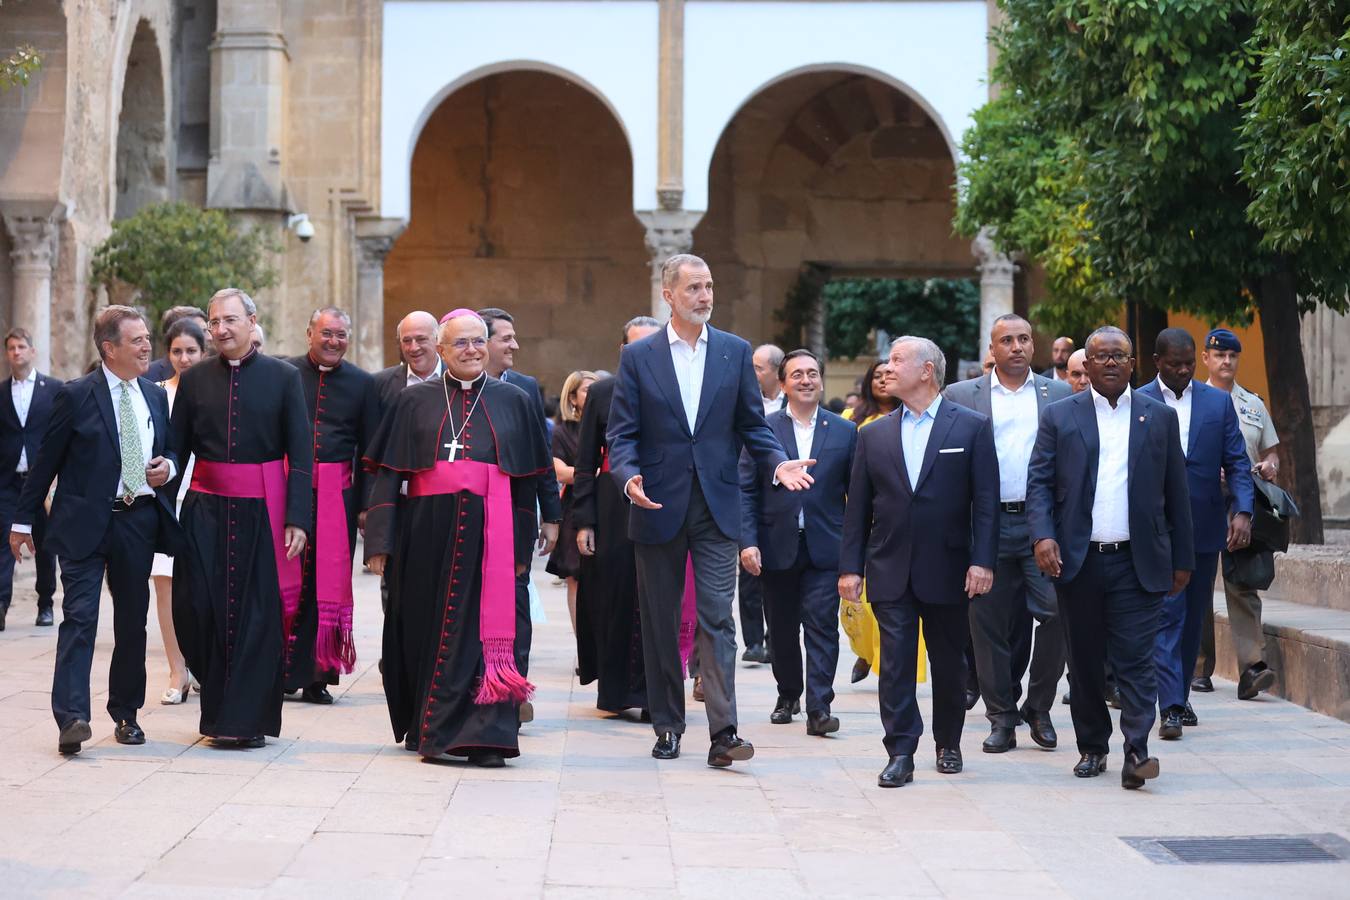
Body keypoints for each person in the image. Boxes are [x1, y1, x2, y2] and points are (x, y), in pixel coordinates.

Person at [607, 253, 814, 768]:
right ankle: (668, 726)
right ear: (669, 295)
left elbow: (753, 426)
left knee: (718, 619)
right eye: (695, 287)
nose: (705, 296)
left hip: (718, 507)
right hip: (656, 503)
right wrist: (627, 475)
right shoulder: (639, 358)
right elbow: (622, 432)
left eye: (710, 286)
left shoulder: (734, 352)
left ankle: (724, 732)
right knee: (659, 620)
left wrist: (777, 464)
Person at [363, 309, 551, 767]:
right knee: (425, 628)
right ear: (441, 351)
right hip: (426, 533)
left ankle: (487, 737)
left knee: (486, 635)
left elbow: (527, 479)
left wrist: (527, 542)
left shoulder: (515, 400)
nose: (471, 350)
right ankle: (434, 729)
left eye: (478, 341)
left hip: (495, 533)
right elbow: (389, 476)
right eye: (460, 343)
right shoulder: (413, 402)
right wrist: (380, 543)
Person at [10, 306, 183, 755]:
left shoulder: (154, 395)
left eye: (148, 338)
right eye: (137, 340)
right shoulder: (75, 395)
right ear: (109, 348)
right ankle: (72, 717)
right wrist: (21, 520)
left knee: (131, 623)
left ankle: (126, 714)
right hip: (84, 523)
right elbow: (45, 463)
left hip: (138, 520)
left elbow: (167, 453)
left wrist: (169, 466)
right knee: (81, 618)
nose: (148, 346)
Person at [1027, 325, 1193, 789]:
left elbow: (1175, 492)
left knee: (1137, 659)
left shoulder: (1158, 418)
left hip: (1137, 561)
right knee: (1084, 659)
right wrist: (1042, 536)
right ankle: (1093, 746)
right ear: (1088, 364)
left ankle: (1137, 750)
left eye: (1120, 355)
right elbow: (1038, 482)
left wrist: (1183, 559)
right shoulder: (1061, 416)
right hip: (1079, 560)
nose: (1112, 363)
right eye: (1102, 356)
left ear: (1133, 362)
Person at [840, 336, 998, 788]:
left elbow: (984, 503)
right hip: (889, 567)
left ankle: (948, 742)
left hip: (949, 568)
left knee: (950, 663)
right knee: (895, 664)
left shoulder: (970, 426)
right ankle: (901, 750)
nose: (886, 368)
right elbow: (857, 510)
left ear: (926, 370)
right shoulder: (872, 434)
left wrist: (983, 561)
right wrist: (850, 568)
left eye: (896, 360)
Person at [170, 288, 313, 749]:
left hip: (262, 513)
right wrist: (166, 481)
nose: (221, 330)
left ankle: (245, 721)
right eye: (214, 322)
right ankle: (216, 709)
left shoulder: (284, 377)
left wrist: (297, 518)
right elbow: (177, 448)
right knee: (198, 609)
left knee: (256, 617)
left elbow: (302, 455)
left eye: (230, 320)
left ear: (253, 322)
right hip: (205, 512)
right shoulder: (194, 381)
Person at [945, 314, 1071, 753]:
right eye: (1007, 340)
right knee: (987, 623)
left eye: (1023, 339)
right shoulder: (961, 396)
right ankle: (1000, 717)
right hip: (986, 524)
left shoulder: (1058, 394)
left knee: (1057, 614)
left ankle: (1038, 706)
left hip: (1043, 526)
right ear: (992, 349)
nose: (1016, 347)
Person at [1138, 328, 1253, 740]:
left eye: (1189, 364)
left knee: (1192, 618)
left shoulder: (1218, 403)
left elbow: (1237, 461)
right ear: (1157, 362)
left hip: (1204, 527)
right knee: (1168, 613)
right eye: (1175, 365)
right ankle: (1169, 706)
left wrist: (1241, 509)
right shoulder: (1137, 401)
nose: (1184, 371)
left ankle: (1179, 692)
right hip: (1154, 528)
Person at [739, 349, 857, 735]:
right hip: (776, 545)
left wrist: (856, 553)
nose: (805, 380)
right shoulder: (763, 429)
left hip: (826, 546)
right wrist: (748, 542)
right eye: (797, 375)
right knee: (783, 627)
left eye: (812, 374)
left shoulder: (844, 431)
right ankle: (788, 692)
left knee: (822, 625)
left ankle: (819, 707)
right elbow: (746, 490)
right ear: (784, 383)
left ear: (822, 381)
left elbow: (857, 496)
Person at [281, 308, 380, 704]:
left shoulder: (362, 383)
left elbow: (369, 449)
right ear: (310, 334)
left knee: (326, 584)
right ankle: (283, 669)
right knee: (288, 579)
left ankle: (318, 675)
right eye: (327, 333)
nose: (334, 341)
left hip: (337, 496)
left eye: (341, 335)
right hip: (289, 489)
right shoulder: (286, 373)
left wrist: (366, 505)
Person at [574, 317, 662, 716]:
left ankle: (651, 694)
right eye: (635, 346)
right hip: (611, 505)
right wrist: (585, 521)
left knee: (655, 600)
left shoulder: (672, 391)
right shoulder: (604, 392)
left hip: (662, 499)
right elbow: (585, 461)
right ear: (623, 350)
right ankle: (614, 693)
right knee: (614, 598)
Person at [477, 307, 561, 721]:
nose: (514, 345)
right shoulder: (451, 387)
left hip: (516, 513)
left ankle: (515, 687)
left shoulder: (525, 388)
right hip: (469, 515)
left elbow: (541, 456)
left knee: (516, 600)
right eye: (505, 338)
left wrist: (551, 515)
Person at [1194, 328, 1281, 699]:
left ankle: (1252, 667)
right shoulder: (1190, 399)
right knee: (1196, 584)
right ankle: (1197, 667)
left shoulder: (1252, 404)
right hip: (1199, 499)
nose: (1226, 361)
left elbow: (1272, 450)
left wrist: (1269, 465)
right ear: (1206, 359)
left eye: (1232, 356)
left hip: (1240, 501)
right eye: (1219, 355)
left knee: (1243, 582)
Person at [839, 359, 909, 685]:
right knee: (856, 606)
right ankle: (865, 651)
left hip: (894, 525)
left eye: (888, 375)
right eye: (876, 376)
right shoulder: (851, 421)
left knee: (891, 602)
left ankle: (886, 664)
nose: (883, 381)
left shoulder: (910, 418)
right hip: (856, 521)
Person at [150, 318, 205, 704]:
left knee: (200, 590)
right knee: (165, 587)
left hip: (204, 498)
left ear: (204, 353)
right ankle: (176, 669)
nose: (184, 358)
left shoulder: (215, 391)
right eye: (177, 351)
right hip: (166, 501)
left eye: (191, 351)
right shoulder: (155, 394)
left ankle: (202, 663)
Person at [0, 328, 62, 630]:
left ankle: (45, 603)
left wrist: (56, 479)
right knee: (3, 541)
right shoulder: (0, 392)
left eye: (21, 346)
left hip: (41, 482)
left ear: (32, 351)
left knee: (44, 544)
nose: (16, 352)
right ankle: (1, 604)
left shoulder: (53, 389)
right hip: (8, 482)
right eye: (11, 347)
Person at [738, 343, 786, 665]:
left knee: (777, 572)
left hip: (784, 493)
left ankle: (774, 638)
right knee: (749, 570)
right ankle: (753, 639)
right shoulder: (744, 399)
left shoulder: (794, 404)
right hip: (747, 484)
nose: (753, 373)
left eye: (759, 368)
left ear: (776, 372)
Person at [546, 369, 598, 634]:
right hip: (575, 510)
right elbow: (560, 472)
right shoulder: (562, 431)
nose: (594, 393)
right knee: (576, 579)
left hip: (608, 510)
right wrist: (599, 474)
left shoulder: (610, 425)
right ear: (573, 397)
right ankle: (583, 643)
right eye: (587, 389)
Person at [373, 311, 443, 415]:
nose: (414, 348)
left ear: (437, 339)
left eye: (421, 339)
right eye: (407, 341)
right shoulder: (378, 384)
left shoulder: (457, 379)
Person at [146, 306, 208, 382]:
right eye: (201, 331)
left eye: (191, 351)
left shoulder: (216, 375)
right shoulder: (148, 376)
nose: (210, 337)